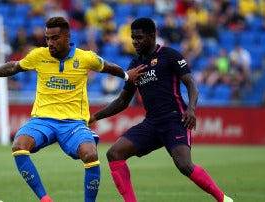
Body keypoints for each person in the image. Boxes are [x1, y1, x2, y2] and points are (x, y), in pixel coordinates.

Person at [0, 16, 145, 202]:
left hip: (73, 123)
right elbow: (14, 67)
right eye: (47, 38)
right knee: (19, 146)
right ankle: (45, 199)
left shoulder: (85, 58)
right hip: (43, 119)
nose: (50, 42)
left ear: (67, 37)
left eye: (54, 38)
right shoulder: (39, 55)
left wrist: (126, 75)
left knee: (91, 154)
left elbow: (108, 67)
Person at [89, 18, 233, 202]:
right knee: (114, 153)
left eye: (139, 37)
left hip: (175, 120)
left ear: (151, 36)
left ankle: (223, 199)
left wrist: (191, 109)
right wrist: (95, 116)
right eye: (132, 38)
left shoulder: (170, 55)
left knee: (184, 165)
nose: (135, 42)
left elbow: (192, 85)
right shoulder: (134, 66)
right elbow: (123, 101)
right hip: (152, 123)